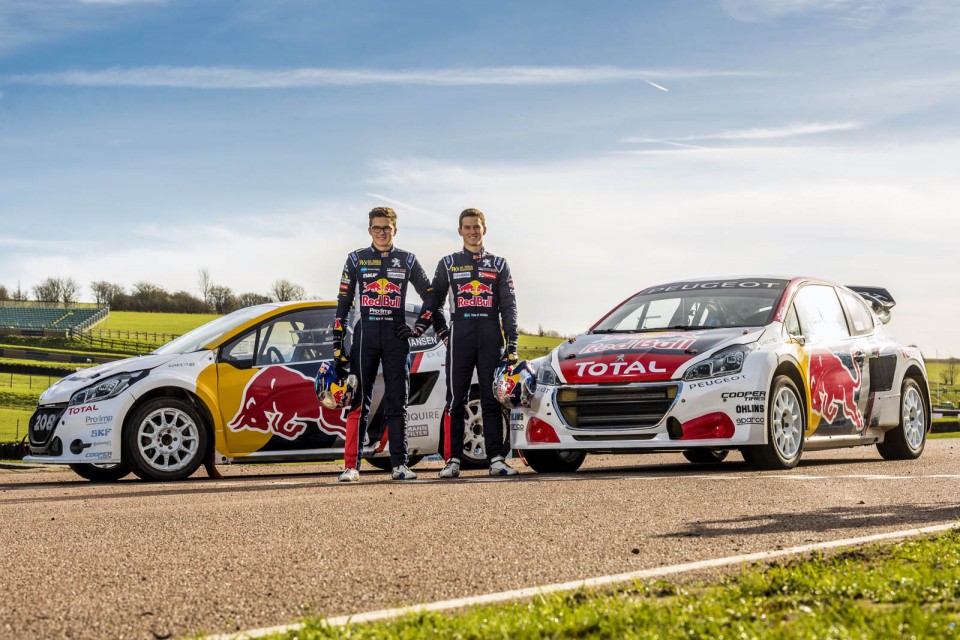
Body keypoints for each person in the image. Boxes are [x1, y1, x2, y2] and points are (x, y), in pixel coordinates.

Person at [334, 206, 438, 482]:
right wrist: (337, 340)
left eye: (387, 228)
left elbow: (430, 295)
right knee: (357, 400)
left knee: (397, 401)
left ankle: (400, 465)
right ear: (369, 230)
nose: (382, 233)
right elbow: (343, 303)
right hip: (364, 336)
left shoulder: (407, 259)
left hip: (396, 337)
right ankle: (351, 466)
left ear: (395, 230)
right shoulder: (355, 259)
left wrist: (420, 327)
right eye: (377, 228)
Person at [431, 208, 520, 478]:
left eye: (476, 227)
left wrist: (512, 342)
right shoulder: (448, 262)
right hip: (460, 335)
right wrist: (443, 333)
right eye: (467, 227)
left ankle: (496, 459)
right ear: (460, 230)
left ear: (485, 229)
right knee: (456, 400)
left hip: (491, 334)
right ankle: (453, 460)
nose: (472, 231)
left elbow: (509, 305)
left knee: (491, 399)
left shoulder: (499, 264)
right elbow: (433, 303)